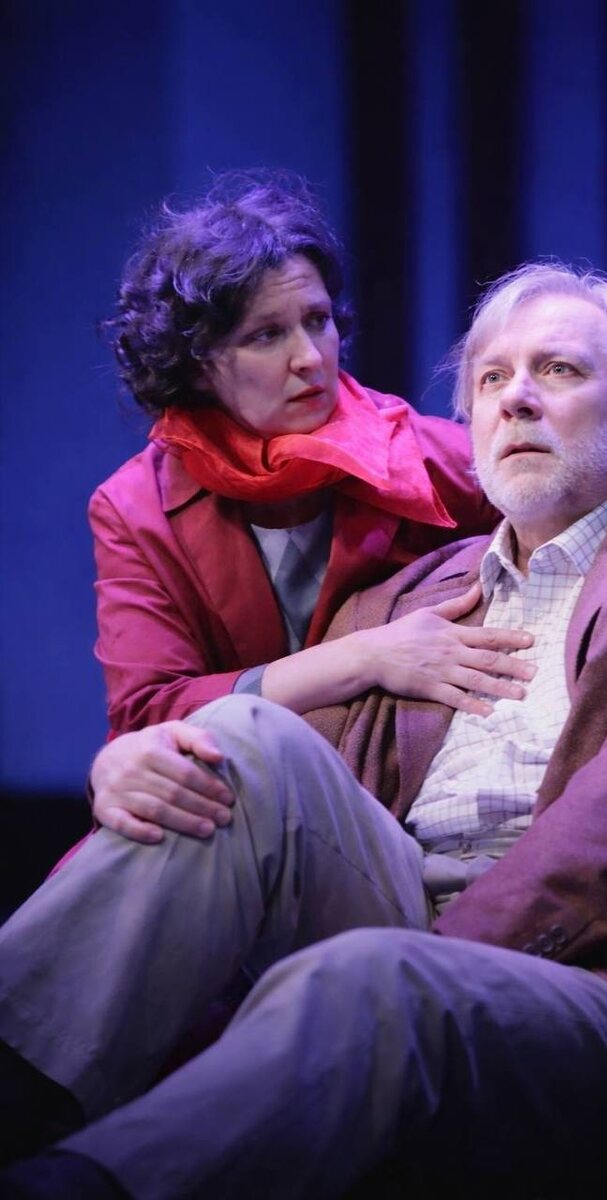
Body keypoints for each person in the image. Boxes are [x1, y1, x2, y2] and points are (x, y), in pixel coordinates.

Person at [2, 262, 607, 1200]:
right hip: (399, 913)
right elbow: (274, 796)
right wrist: (135, 758)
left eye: (559, 371)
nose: (518, 399)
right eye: (492, 379)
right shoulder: (404, 600)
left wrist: (430, 954)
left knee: (368, 977)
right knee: (244, 743)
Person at [85, 169, 529, 843]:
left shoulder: (429, 458)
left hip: (392, 809)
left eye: (317, 322)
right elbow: (149, 715)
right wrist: (366, 655)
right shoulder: (135, 507)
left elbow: (590, 516)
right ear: (198, 362)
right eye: (266, 335)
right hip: (226, 810)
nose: (309, 358)